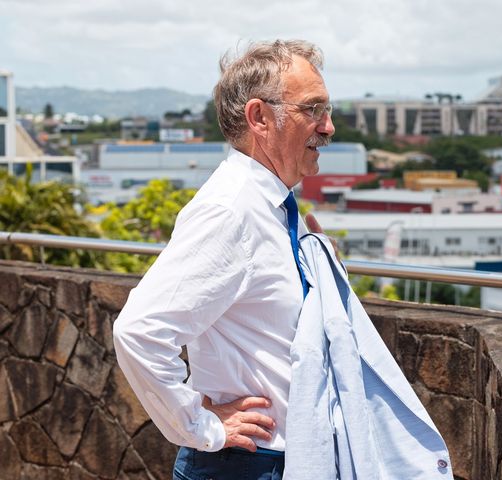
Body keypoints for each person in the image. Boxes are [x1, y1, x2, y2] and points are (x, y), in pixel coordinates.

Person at [113, 39, 336, 480]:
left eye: (327, 111)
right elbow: (139, 331)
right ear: (259, 118)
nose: (327, 127)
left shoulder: (271, 208)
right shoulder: (230, 210)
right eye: (312, 109)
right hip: (247, 464)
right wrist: (201, 424)